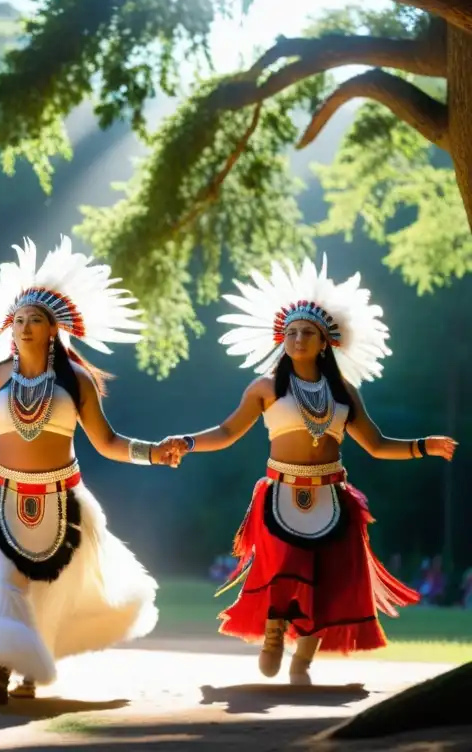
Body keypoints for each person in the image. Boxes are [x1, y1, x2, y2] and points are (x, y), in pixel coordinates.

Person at [0, 236, 177, 704]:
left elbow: (107, 443)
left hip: (62, 502)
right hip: (0, 499)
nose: (25, 327)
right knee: (7, 582)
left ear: (53, 330)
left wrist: (153, 452)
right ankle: (0, 670)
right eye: (19, 319)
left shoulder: (77, 381)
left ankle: (28, 669)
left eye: (35, 320)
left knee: (45, 591)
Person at [161, 256, 457, 685]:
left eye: (307, 333)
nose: (297, 338)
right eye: (291, 332)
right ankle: (274, 630)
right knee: (283, 568)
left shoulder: (344, 392)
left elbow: (374, 444)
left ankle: (303, 660)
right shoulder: (266, 387)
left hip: (334, 497)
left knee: (328, 583)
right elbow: (227, 431)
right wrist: (187, 442)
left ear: (325, 342)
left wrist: (422, 446)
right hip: (279, 493)